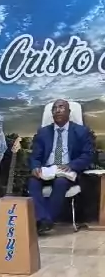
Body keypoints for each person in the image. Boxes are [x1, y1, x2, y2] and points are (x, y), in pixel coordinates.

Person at [28, 99, 94, 234]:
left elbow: (87, 155)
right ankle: (43, 219)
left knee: (60, 182)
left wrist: (71, 165)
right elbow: (35, 156)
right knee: (33, 182)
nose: (57, 110)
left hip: (67, 171)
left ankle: (46, 221)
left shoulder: (81, 131)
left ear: (69, 112)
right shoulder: (43, 132)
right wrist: (35, 166)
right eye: (54, 108)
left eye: (61, 107)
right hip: (47, 170)